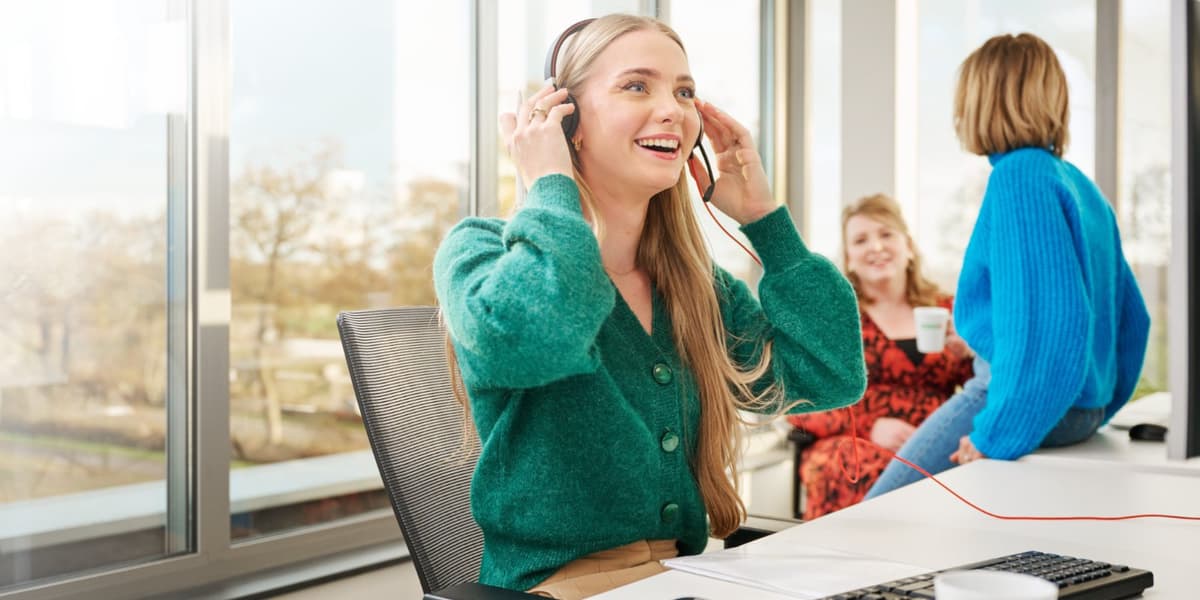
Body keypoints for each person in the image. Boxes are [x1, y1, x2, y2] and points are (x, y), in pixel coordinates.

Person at [432, 14, 866, 599]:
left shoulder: (694, 288)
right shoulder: (483, 253)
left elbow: (830, 375)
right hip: (563, 588)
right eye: (637, 86)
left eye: (684, 92)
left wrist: (767, 222)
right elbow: (535, 339)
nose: (672, 111)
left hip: (687, 576)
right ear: (567, 122)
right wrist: (553, 187)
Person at [866, 32, 1150, 500]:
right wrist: (1095, 404)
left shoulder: (1020, 179)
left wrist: (998, 432)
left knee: (877, 512)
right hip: (1080, 409)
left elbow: (1044, 325)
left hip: (1021, 401)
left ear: (981, 102)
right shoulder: (1080, 186)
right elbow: (1133, 321)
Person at [788, 194, 974, 519]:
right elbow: (800, 404)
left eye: (886, 234)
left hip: (937, 437)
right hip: (855, 442)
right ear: (849, 258)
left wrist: (970, 353)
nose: (876, 247)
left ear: (909, 247)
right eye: (861, 240)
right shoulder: (834, 320)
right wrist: (870, 426)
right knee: (865, 472)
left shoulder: (950, 310)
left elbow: (985, 386)